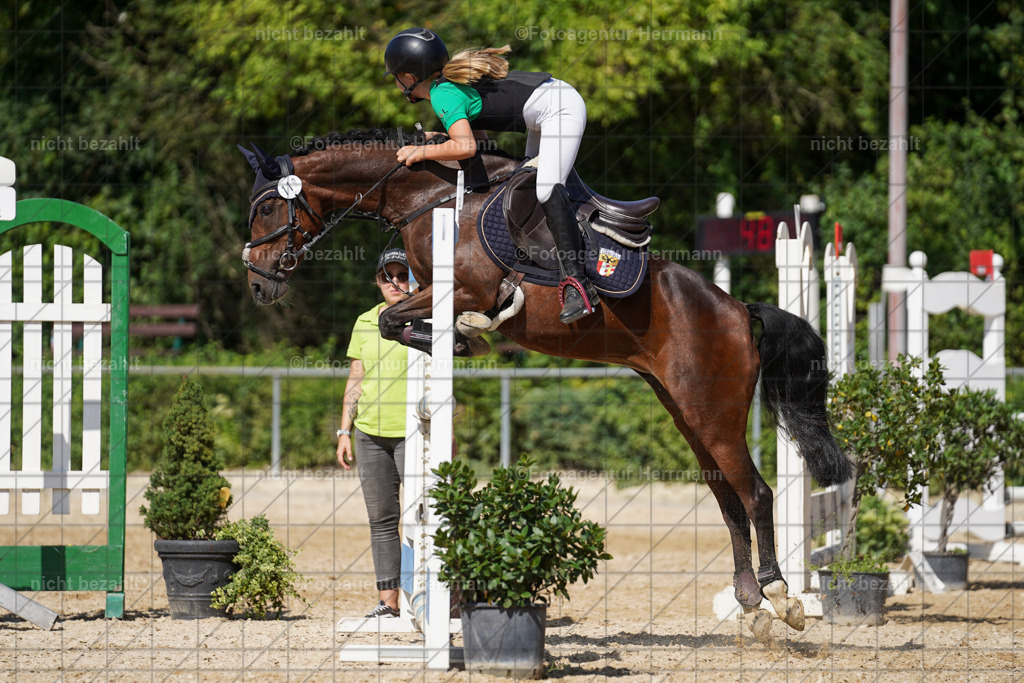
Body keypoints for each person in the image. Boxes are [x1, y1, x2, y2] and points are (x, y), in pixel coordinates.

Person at [384, 26, 599, 324]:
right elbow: (480, 147)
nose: (396, 83)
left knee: (546, 189)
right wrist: (439, 140)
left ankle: (578, 286)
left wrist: (420, 152)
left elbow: (466, 146)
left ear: (408, 79)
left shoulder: (442, 94)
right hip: (549, 109)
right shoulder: (446, 88)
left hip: (560, 110)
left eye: (395, 77)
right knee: (525, 186)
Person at [336, 248, 412, 618]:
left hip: (413, 433)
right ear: (378, 283)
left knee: (423, 515)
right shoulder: (364, 321)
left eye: (402, 275)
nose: (396, 283)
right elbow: (356, 377)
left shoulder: (425, 318)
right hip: (368, 434)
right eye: (388, 277)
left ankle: (433, 596)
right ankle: (389, 602)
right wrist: (344, 430)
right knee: (382, 519)